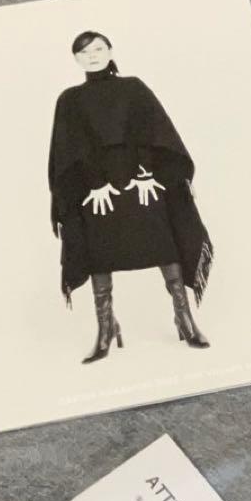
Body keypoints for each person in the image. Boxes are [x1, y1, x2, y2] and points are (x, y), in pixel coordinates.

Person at [48, 31, 213, 362]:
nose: (93, 55)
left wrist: (144, 173)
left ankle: (184, 318)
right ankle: (106, 328)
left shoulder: (133, 87)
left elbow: (153, 131)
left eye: (98, 48)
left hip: (140, 178)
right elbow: (71, 147)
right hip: (97, 186)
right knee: (98, 247)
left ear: (110, 51)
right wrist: (96, 183)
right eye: (84, 52)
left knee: (163, 239)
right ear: (76, 59)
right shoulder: (70, 99)